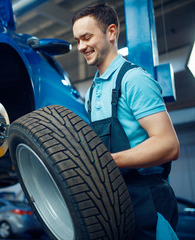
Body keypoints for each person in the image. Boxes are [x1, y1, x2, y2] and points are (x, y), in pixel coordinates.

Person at [71, 2, 180, 240]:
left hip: (148, 199)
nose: (81, 46)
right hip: (114, 199)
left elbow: (168, 145)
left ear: (111, 32)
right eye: (77, 40)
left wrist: (107, 162)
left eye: (86, 37)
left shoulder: (134, 80)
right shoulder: (92, 92)